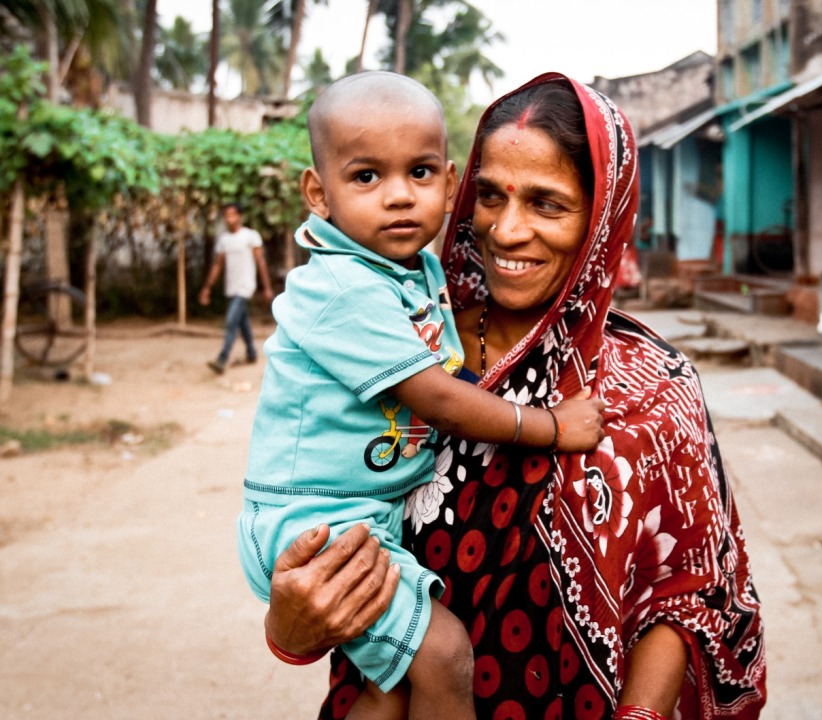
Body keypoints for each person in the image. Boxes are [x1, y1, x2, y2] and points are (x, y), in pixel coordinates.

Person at [262, 73, 767, 719]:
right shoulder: (409, 339)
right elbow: (312, 517)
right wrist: (290, 629)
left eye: (547, 204)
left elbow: (689, 590)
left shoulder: (652, 385)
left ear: (602, 214)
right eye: (492, 196)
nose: (505, 230)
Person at [238, 72, 605, 720]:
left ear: (447, 181)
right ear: (316, 193)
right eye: (366, 177)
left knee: (392, 685)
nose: (399, 197)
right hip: (328, 523)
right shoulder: (346, 286)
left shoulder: (412, 275)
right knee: (442, 656)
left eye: (420, 172)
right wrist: (547, 425)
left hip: (356, 514)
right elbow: (434, 394)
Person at [198, 202, 274, 374]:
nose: (229, 218)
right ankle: (252, 353)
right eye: (226, 215)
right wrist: (207, 287)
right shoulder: (224, 240)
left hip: (245, 286)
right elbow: (217, 265)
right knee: (242, 321)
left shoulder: (250, 236)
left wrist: (266, 287)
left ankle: (222, 359)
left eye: (232, 214)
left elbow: (260, 262)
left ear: (240, 216)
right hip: (231, 287)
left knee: (231, 321)